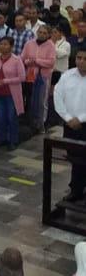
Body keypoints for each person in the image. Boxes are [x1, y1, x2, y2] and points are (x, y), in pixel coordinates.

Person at [54, 47, 86, 202]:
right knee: (75, 158)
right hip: (69, 124)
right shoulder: (67, 75)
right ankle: (76, 189)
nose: (81, 61)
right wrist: (68, 118)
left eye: (85, 59)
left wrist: (80, 118)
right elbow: (58, 96)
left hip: (84, 124)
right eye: (79, 58)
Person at [0, 37, 26, 151]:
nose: (2, 46)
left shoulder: (17, 60)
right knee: (1, 117)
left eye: (5, 44)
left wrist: (5, 81)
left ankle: (13, 140)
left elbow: (22, 77)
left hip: (11, 94)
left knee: (11, 117)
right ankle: (2, 138)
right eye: (1, 44)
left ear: (11, 46)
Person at [21, 25, 56, 133]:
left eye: (45, 33)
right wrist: (28, 62)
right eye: (40, 32)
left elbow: (51, 62)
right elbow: (23, 59)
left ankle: (41, 124)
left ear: (48, 35)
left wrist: (36, 61)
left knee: (42, 101)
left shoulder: (50, 45)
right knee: (30, 100)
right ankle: (31, 123)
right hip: (30, 75)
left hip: (43, 76)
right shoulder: (29, 43)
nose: (42, 34)